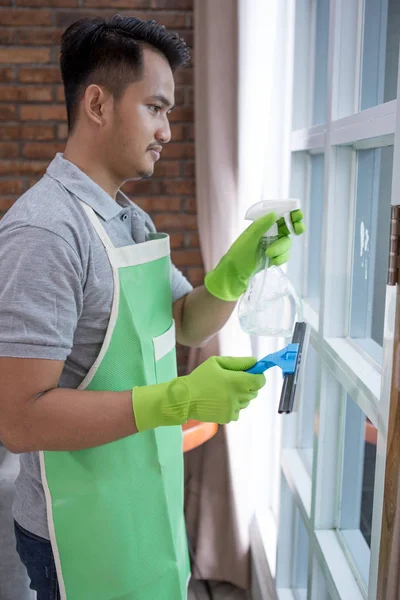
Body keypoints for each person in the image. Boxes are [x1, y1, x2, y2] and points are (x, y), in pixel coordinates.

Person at [0, 15, 305, 600]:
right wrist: (180, 399)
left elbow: (187, 319)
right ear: (97, 103)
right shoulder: (46, 234)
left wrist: (238, 269)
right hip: (74, 525)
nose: (167, 130)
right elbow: (18, 420)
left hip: (140, 493)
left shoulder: (125, 218)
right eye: (156, 108)